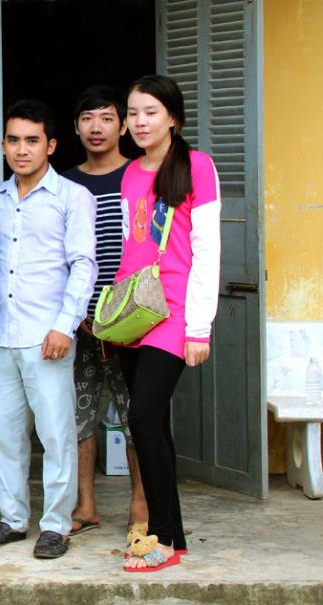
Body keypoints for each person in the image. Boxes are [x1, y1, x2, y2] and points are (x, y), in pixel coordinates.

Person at [0, 99, 96, 559]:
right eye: (13, 140)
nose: (21, 150)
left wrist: (66, 325)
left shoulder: (72, 197)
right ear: (3, 145)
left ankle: (56, 524)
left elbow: (83, 264)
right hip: (0, 332)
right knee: (3, 433)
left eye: (31, 141)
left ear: (51, 145)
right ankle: (12, 517)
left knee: (55, 432)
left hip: (49, 334)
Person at [119, 74, 220, 572]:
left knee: (142, 417)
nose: (139, 122)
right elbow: (129, 251)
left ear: (173, 118)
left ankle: (157, 535)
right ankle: (172, 539)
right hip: (136, 314)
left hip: (175, 313)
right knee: (152, 424)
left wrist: (198, 328)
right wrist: (111, 320)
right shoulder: (131, 173)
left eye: (150, 112)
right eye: (133, 113)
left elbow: (207, 251)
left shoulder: (197, 166)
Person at [63, 85, 148, 535]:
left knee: (136, 414)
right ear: (75, 127)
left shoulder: (140, 176)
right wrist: (73, 313)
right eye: (88, 118)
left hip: (131, 323)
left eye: (107, 118)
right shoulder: (64, 183)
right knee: (78, 415)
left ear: (124, 125)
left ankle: (140, 504)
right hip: (77, 321)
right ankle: (85, 506)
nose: (97, 127)